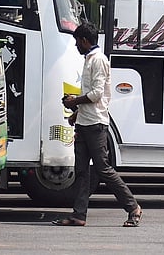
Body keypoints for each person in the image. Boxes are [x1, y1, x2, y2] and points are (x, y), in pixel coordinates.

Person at [52, 22, 142, 227]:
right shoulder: (89, 59)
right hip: (84, 122)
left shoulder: (99, 60)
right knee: (82, 171)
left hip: (96, 124)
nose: (76, 46)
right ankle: (78, 215)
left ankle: (133, 207)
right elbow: (90, 95)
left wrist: (74, 101)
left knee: (103, 169)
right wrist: (76, 112)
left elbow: (96, 94)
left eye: (77, 42)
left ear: (84, 41)